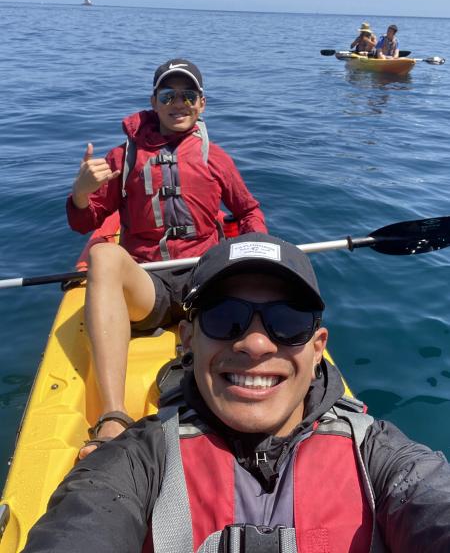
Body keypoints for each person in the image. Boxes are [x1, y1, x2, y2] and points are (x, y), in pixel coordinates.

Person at [22, 233, 450, 552]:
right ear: (186, 341)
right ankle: (113, 410)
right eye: (226, 318)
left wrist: (247, 237)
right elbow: (82, 525)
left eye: (287, 321)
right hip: (163, 279)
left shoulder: (381, 457)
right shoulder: (138, 460)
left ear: (319, 348)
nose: (256, 344)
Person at [66, 59, 267, 458]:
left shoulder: (217, 157)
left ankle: (235, 409)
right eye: (168, 95)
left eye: (188, 95)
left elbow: (248, 212)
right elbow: (83, 221)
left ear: (202, 104)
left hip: (204, 283)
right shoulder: (122, 158)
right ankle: (112, 415)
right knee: (104, 253)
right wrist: (81, 191)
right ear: (153, 102)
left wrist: (253, 253)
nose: (179, 102)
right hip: (150, 287)